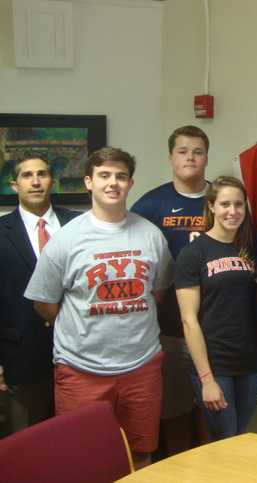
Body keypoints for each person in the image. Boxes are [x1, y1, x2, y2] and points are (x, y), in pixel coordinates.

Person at [24, 147, 172, 469]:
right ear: (89, 182)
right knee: (81, 459)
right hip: (81, 371)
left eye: (120, 176)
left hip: (141, 368)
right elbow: (45, 304)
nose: (112, 183)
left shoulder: (151, 235)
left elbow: (156, 294)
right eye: (104, 175)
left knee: (142, 452)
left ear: (131, 183)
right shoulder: (66, 239)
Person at [175, 176, 257, 440]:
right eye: (225, 204)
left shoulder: (251, 250)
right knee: (226, 438)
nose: (233, 211)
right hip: (215, 365)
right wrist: (206, 379)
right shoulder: (193, 254)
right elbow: (189, 320)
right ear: (211, 206)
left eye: (239, 205)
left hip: (250, 364)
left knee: (240, 437)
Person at [131, 125, 208, 455]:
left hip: (215, 326)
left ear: (206, 156)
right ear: (170, 157)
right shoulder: (150, 205)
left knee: (213, 407)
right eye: (182, 151)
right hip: (169, 328)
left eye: (197, 151)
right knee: (174, 411)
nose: (190, 157)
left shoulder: (225, 200)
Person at [0, 154, 79, 434]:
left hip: (79, 354)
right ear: (14, 184)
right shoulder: (1, 231)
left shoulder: (80, 225)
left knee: (77, 437)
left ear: (52, 180)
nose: (35, 181)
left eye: (42, 174)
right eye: (27, 175)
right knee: (26, 445)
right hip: (20, 357)